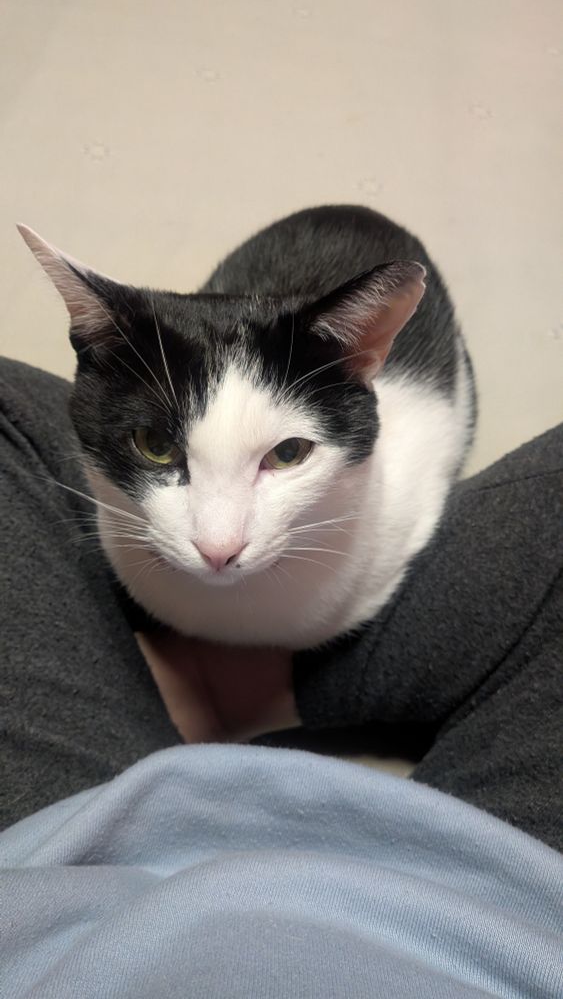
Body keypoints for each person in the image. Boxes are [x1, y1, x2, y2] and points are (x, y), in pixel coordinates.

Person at [1, 357, 562, 998]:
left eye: (286, 454)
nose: (218, 543)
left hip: (47, 880)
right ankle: (267, 687)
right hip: (504, 922)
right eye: (159, 446)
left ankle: (243, 689)